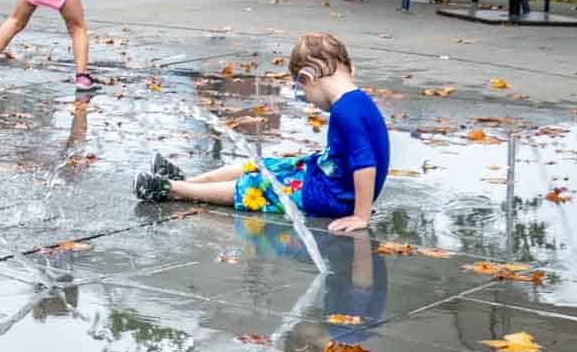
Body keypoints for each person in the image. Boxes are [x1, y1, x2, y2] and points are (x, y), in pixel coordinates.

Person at [133, 32, 389, 234]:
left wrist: (360, 215)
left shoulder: (345, 110)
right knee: (262, 165)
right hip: (327, 178)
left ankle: (172, 188)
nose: (309, 101)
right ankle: (191, 181)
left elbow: (365, 164)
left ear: (308, 77)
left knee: (254, 185)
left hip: (330, 196)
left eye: (303, 92)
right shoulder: (355, 101)